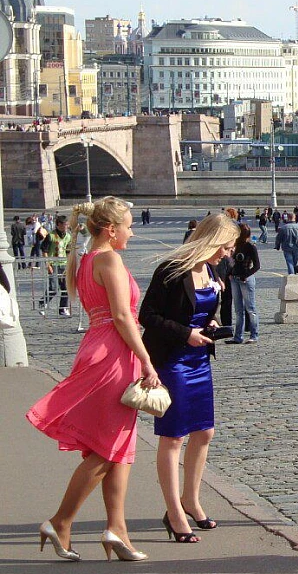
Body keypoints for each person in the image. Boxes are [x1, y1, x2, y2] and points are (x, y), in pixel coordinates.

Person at [26, 197, 157, 562]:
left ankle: (117, 528)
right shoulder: (109, 259)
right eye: (128, 226)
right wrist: (146, 359)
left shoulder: (86, 261)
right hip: (113, 355)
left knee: (118, 448)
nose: (132, 231)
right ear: (111, 230)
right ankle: (61, 520)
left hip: (99, 348)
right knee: (105, 447)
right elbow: (121, 315)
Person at [140, 214, 239, 544]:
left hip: (199, 360)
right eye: (225, 247)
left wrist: (209, 326)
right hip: (173, 361)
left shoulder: (211, 269)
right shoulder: (171, 270)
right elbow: (148, 316)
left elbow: (203, 309)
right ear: (211, 241)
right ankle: (174, 512)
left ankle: (191, 499)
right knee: (173, 438)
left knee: (204, 432)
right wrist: (186, 334)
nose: (227, 254)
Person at [228, 223, 261, 344]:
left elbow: (257, 265)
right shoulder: (236, 246)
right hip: (235, 278)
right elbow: (232, 262)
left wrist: (246, 275)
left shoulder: (250, 247)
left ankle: (254, 334)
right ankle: (238, 336)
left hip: (246, 279)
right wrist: (230, 273)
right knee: (238, 310)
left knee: (250, 308)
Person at [39, 215, 73, 317]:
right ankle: (42, 303)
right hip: (53, 264)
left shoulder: (68, 236)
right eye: (64, 224)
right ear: (58, 224)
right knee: (53, 288)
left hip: (63, 264)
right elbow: (44, 251)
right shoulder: (51, 236)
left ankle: (62, 309)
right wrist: (47, 264)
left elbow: (68, 251)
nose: (66, 226)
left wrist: (69, 264)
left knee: (65, 288)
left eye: (67, 224)